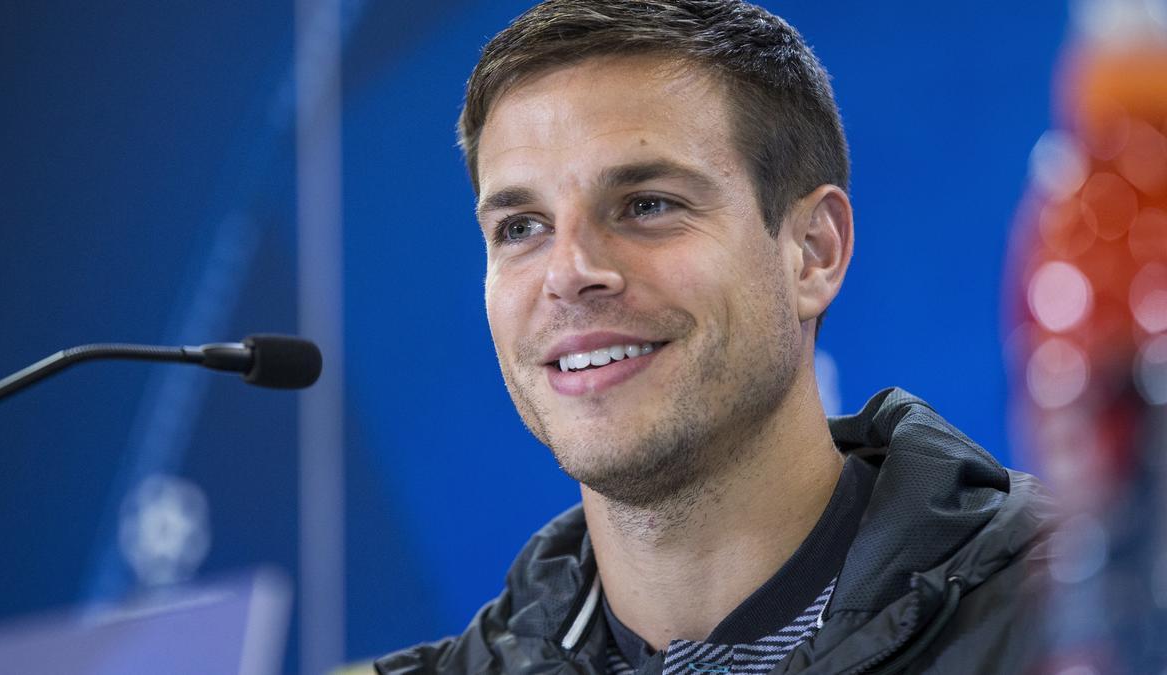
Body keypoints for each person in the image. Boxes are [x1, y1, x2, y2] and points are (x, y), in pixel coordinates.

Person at [367, 1, 1052, 673]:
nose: (569, 272)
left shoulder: (1097, 621)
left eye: (647, 205)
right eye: (520, 226)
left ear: (813, 251)